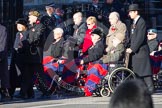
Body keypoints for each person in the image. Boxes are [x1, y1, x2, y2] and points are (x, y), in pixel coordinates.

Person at [15, 10, 46, 99]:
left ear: (35, 17)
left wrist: (24, 42)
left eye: (30, 16)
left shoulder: (40, 26)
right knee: (26, 75)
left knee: (39, 75)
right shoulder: (29, 27)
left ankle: (45, 91)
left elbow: (36, 38)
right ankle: (22, 92)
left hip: (36, 54)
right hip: (29, 54)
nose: (29, 18)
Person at [126, 4, 154, 94]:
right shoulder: (133, 23)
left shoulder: (141, 22)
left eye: (131, 12)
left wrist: (132, 49)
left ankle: (150, 88)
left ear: (136, 12)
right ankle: (142, 89)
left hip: (141, 50)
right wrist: (128, 45)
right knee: (138, 71)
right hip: (136, 51)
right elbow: (132, 37)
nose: (129, 14)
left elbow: (140, 38)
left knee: (145, 71)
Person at [9, 18, 28, 98]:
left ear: (24, 26)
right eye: (17, 25)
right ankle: (10, 92)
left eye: (20, 25)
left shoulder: (27, 34)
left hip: (23, 58)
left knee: (23, 76)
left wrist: (20, 49)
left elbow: (26, 45)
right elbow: (15, 45)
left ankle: (25, 93)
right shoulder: (17, 34)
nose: (19, 27)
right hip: (15, 58)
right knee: (12, 75)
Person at [0, 24, 11, 101]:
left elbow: (2, 44)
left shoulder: (2, 29)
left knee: (3, 74)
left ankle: (4, 92)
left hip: (1, 54)